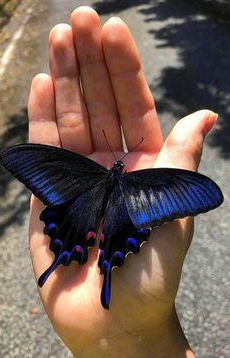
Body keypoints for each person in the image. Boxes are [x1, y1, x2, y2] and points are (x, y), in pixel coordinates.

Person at [28, 6, 217, 357]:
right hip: (116, 219)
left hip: (86, 210)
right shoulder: (144, 182)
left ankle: (68, 258)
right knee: (99, 240)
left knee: (77, 233)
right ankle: (99, 270)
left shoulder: (86, 169)